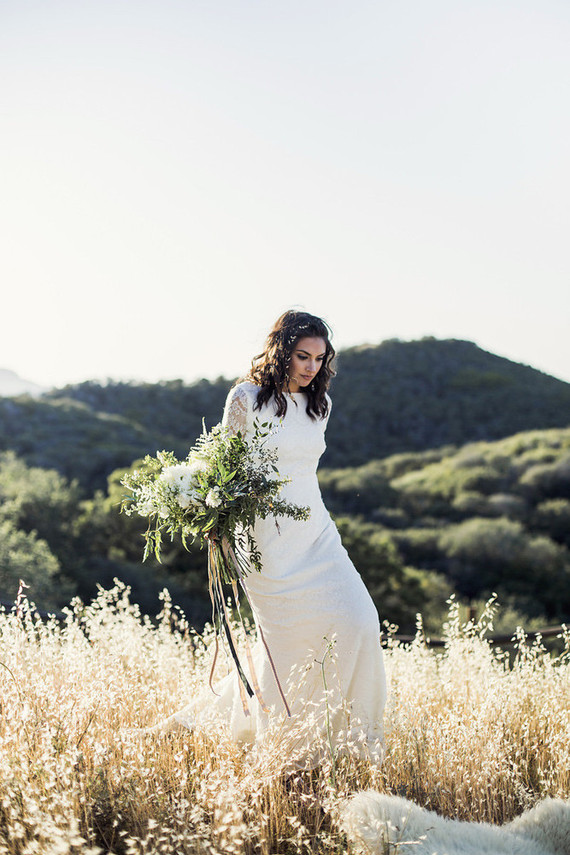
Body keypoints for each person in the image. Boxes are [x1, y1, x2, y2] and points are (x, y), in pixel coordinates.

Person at [159, 310, 387, 768]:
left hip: (316, 532)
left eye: (319, 359)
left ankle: (354, 746)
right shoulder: (245, 398)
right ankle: (290, 752)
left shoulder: (320, 405)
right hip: (264, 541)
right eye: (303, 356)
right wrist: (217, 525)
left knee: (361, 620)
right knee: (287, 646)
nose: (312, 368)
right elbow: (224, 468)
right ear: (281, 351)